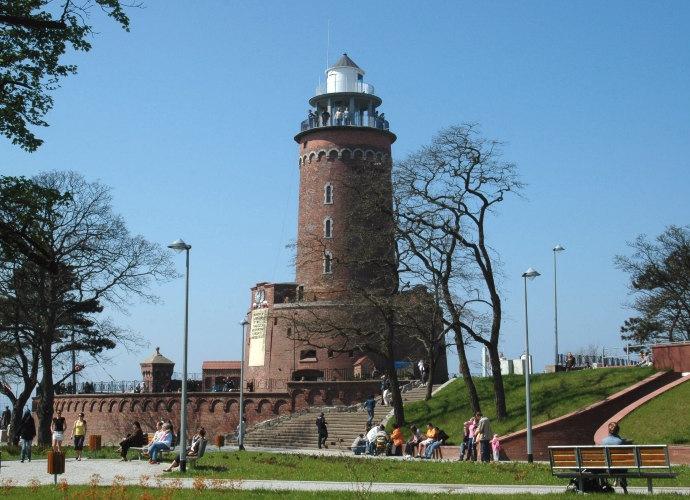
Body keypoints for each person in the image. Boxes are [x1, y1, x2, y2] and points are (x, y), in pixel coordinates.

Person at [601, 422, 633, 494]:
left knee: (618, 462)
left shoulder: (604, 441)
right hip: (621, 468)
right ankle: (624, 488)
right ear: (618, 431)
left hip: (609, 468)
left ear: (609, 431)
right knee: (622, 462)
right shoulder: (620, 442)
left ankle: (616, 481)